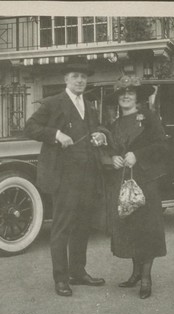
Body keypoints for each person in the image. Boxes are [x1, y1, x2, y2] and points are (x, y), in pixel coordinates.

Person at [24, 62, 108, 297]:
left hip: (87, 176)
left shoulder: (89, 105)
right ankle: (61, 279)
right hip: (64, 177)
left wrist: (100, 134)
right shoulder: (53, 102)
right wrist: (56, 134)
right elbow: (30, 127)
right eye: (75, 76)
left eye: (83, 76)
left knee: (83, 227)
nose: (80, 80)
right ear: (66, 79)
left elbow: (97, 127)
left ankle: (78, 272)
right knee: (62, 228)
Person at [104, 75, 168, 299]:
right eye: (122, 93)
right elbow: (110, 149)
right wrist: (113, 158)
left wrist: (137, 155)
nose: (126, 96)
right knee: (130, 227)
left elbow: (162, 145)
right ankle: (135, 273)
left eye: (130, 92)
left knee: (147, 229)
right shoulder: (114, 125)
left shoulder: (149, 118)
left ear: (137, 97)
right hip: (123, 182)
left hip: (146, 180)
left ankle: (146, 277)